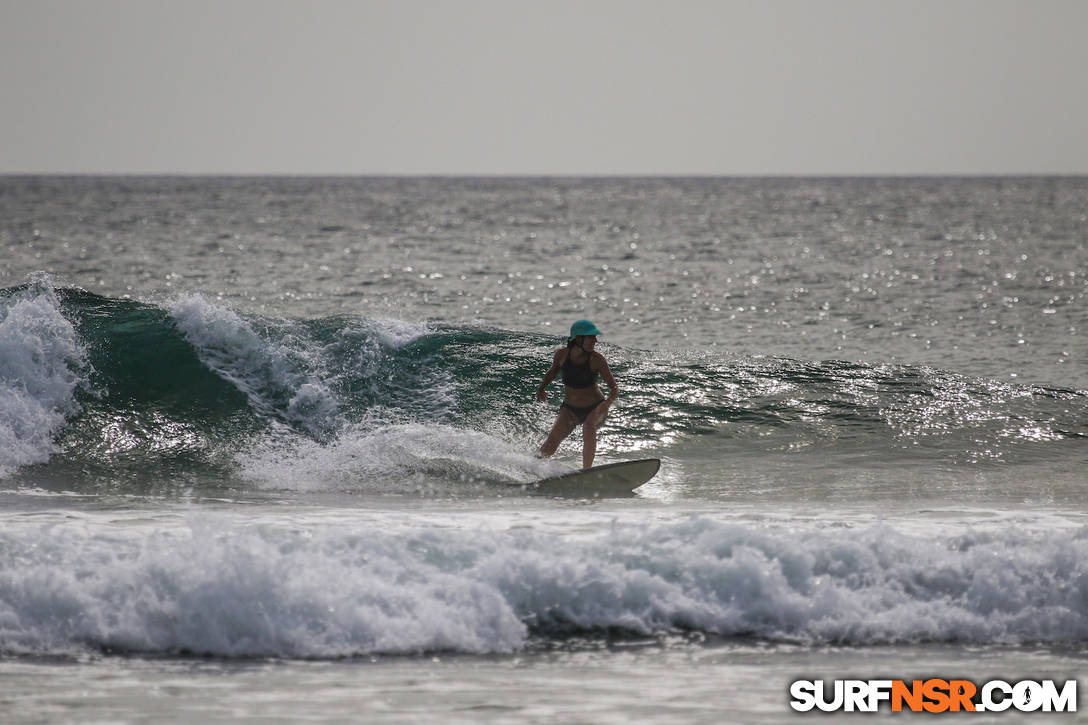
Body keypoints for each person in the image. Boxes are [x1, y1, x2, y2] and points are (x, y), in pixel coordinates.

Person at [536, 319, 619, 469]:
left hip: (596, 407)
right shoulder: (562, 355)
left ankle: (587, 472)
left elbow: (614, 388)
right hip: (570, 409)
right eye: (591, 337)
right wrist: (541, 388)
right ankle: (532, 468)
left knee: (588, 426)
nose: (595, 340)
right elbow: (552, 372)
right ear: (579, 338)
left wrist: (606, 404)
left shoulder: (597, 359)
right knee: (552, 442)